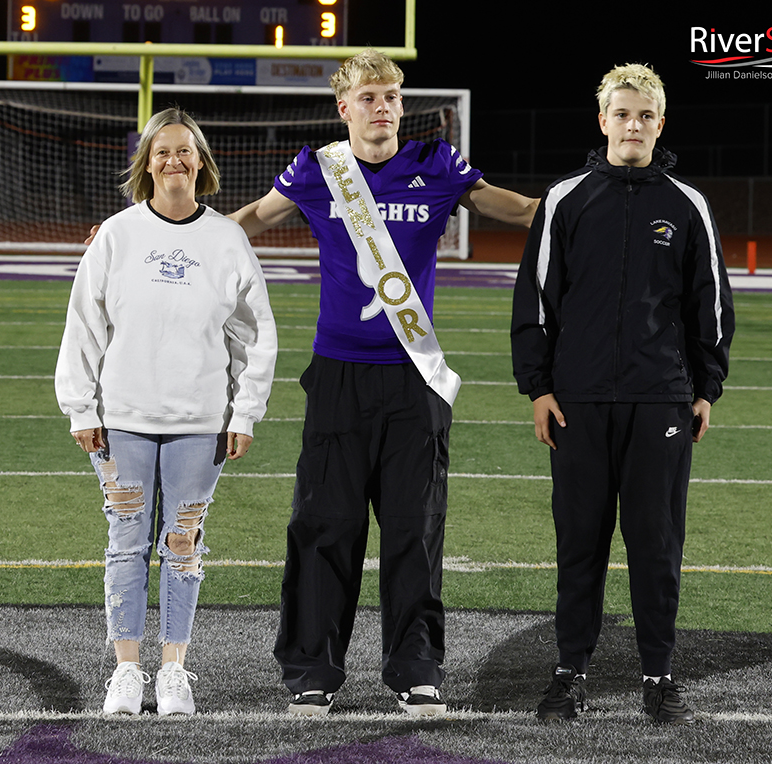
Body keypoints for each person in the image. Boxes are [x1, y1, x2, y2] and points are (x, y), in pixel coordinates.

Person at [228, 48, 539, 717]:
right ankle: (311, 670)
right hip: (337, 377)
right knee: (322, 528)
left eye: (392, 95)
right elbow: (253, 219)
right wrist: (174, 241)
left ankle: (416, 668)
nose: (383, 107)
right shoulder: (317, 169)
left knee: (414, 531)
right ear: (343, 108)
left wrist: (588, 209)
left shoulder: (437, 164)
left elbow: (514, 211)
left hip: (413, 381)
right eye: (369, 96)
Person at [510, 63, 734, 725]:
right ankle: (567, 674)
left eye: (644, 116)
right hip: (576, 402)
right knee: (579, 543)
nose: (631, 125)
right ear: (602, 120)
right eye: (621, 114)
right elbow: (535, 301)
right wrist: (538, 388)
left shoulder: (685, 203)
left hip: (659, 400)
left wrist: (704, 388)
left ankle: (658, 677)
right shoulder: (565, 198)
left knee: (655, 543)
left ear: (658, 124)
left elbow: (710, 305)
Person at [56, 107, 278, 716]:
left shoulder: (227, 240)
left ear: (202, 163)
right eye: (162, 152)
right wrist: (80, 406)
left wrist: (244, 413)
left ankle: (174, 670)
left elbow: (255, 335)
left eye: (185, 151)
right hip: (123, 418)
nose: (173, 160)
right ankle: (126, 672)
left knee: (182, 544)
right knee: (127, 542)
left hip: (200, 422)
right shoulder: (117, 236)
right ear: (146, 163)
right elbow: (84, 325)